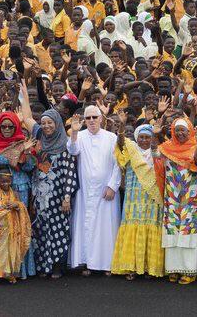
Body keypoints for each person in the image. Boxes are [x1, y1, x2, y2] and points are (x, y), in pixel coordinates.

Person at [67, 106, 121, 276]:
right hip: (86, 192)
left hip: (106, 191)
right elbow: (72, 150)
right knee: (87, 225)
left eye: (94, 117)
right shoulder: (80, 136)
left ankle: (108, 264)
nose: (91, 120)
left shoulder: (112, 137)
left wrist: (113, 185)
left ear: (101, 118)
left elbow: (118, 164)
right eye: (88, 118)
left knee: (107, 227)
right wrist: (74, 133)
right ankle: (88, 263)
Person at [0, 112, 37, 279]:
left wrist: (27, 153)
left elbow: (29, 168)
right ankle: (1, 269)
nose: (7, 129)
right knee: (1, 228)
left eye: (10, 126)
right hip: (0, 189)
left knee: (18, 226)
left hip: (20, 187)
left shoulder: (23, 142)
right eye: (3, 126)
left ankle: (18, 270)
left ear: (16, 126)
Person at [111, 124, 164, 280]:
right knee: (133, 225)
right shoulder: (131, 150)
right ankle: (130, 267)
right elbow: (120, 143)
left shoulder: (158, 152)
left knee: (151, 225)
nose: (144, 140)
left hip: (152, 196)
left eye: (148, 137)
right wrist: (121, 127)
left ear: (153, 138)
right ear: (136, 138)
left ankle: (149, 267)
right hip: (133, 197)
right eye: (141, 137)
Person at [156, 117, 197, 285]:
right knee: (172, 232)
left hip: (190, 198)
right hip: (171, 197)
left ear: (190, 130)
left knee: (187, 232)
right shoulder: (166, 148)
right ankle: (173, 269)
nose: (180, 133)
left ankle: (189, 270)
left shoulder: (194, 147)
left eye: (183, 129)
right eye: (177, 130)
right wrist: (156, 135)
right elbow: (156, 161)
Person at [29, 110, 76, 279]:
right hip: (40, 196)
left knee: (58, 230)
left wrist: (67, 197)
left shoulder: (65, 145)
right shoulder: (39, 144)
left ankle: (58, 266)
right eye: (44, 123)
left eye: (50, 122)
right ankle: (44, 266)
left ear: (57, 124)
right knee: (41, 229)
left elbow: (70, 173)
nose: (47, 126)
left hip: (58, 197)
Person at [0, 168, 32, 285]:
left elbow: (20, 207)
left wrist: (16, 204)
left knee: (10, 250)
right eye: (3, 182)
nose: (6, 184)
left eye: (8, 181)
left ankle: (9, 274)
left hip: (12, 228)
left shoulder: (15, 193)